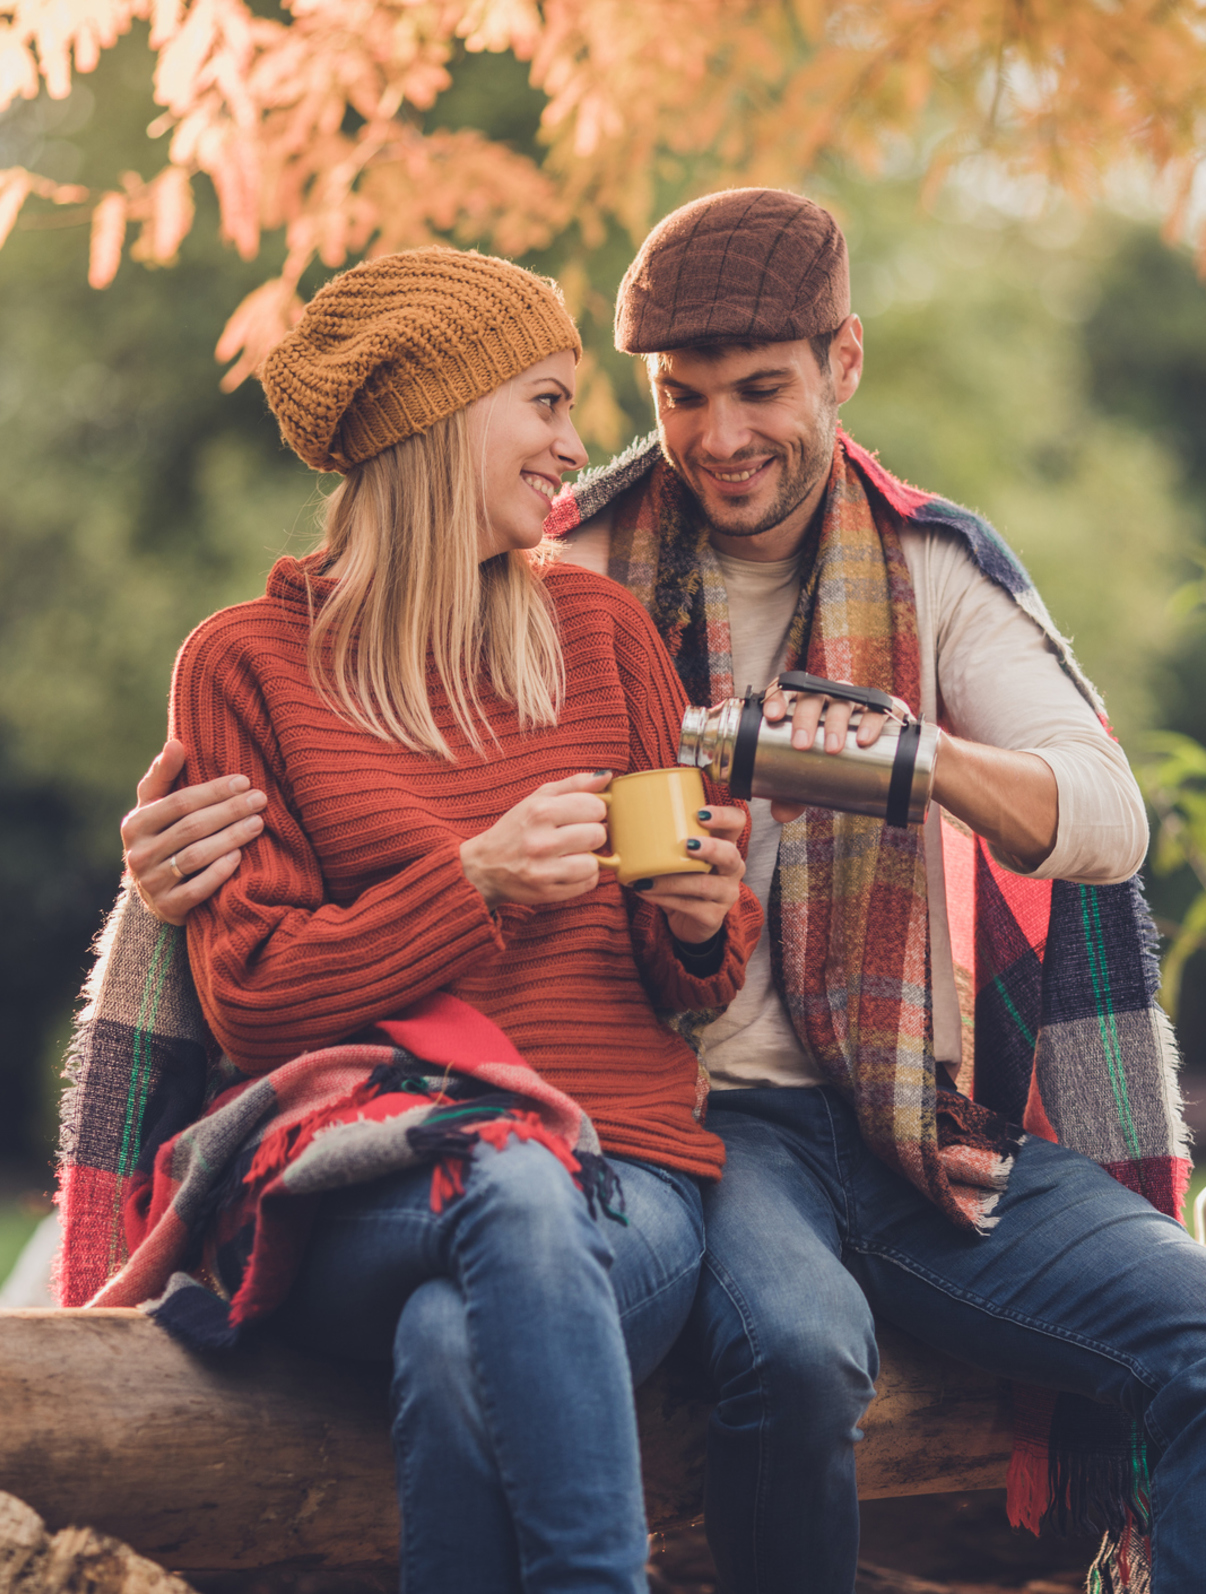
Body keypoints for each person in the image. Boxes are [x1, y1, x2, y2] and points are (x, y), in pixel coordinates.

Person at [128, 194, 1206, 1594]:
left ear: (843, 366)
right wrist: (167, 862)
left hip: (913, 1112)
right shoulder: (573, 556)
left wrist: (905, 766)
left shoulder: (920, 570)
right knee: (780, 1346)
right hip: (704, 1125)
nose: (717, 436)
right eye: (677, 397)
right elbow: (307, 772)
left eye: (760, 390)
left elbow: (1109, 818)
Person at [158, 246, 760, 1594]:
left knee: (450, 1340)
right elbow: (248, 990)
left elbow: (685, 979)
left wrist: (704, 916)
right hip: (357, 1189)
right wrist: (472, 886)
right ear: (437, 417)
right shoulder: (242, 666)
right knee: (507, 1171)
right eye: (544, 402)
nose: (575, 442)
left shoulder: (602, 635)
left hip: (627, 1177)